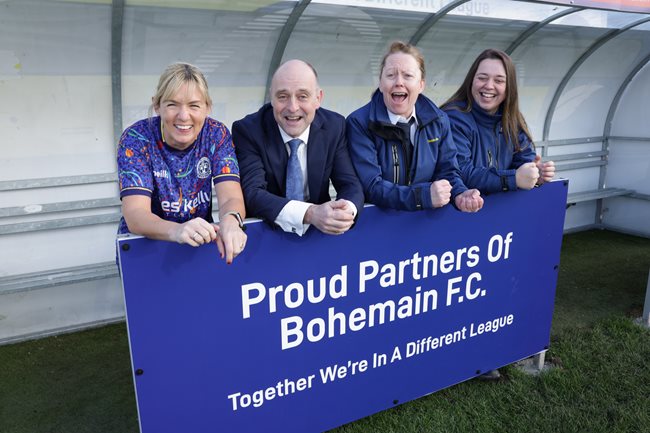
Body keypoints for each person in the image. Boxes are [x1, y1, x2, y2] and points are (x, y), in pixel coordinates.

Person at [117, 62, 247, 264]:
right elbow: (135, 214)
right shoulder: (137, 138)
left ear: (207, 108)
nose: (184, 115)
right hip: (144, 249)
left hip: (197, 245)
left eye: (194, 105)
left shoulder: (216, 133)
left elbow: (230, 196)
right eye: (172, 104)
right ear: (157, 105)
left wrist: (231, 221)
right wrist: (177, 230)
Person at [346, 41, 483, 213]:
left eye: (408, 76)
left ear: (421, 85)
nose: (398, 82)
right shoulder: (359, 123)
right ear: (380, 83)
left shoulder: (439, 121)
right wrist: (422, 197)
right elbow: (371, 186)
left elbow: (448, 172)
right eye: (390, 75)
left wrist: (460, 194)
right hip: (378, 228)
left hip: (423, 229)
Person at [232, 59, 364, 236]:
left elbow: (350, 183)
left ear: (318, 98)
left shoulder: (334, 126)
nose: (293, 107)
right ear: (271, 97)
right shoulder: (248, 130)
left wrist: (345, 212)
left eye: (302, 96)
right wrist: (310, 213)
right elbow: (253, 194)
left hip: (318, 236)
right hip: (265, 237)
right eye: (283, 96)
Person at [441, 48, 555, 194]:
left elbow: (523, 162)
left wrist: (535, 173)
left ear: (509, 87)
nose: (489, 85)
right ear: (471, 80)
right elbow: (459, 173)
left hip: (500, 211)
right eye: (482, 78)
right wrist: (513, 179)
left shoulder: (512, 119)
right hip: (461, 213)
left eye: (499, 80)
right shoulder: (453, 118)